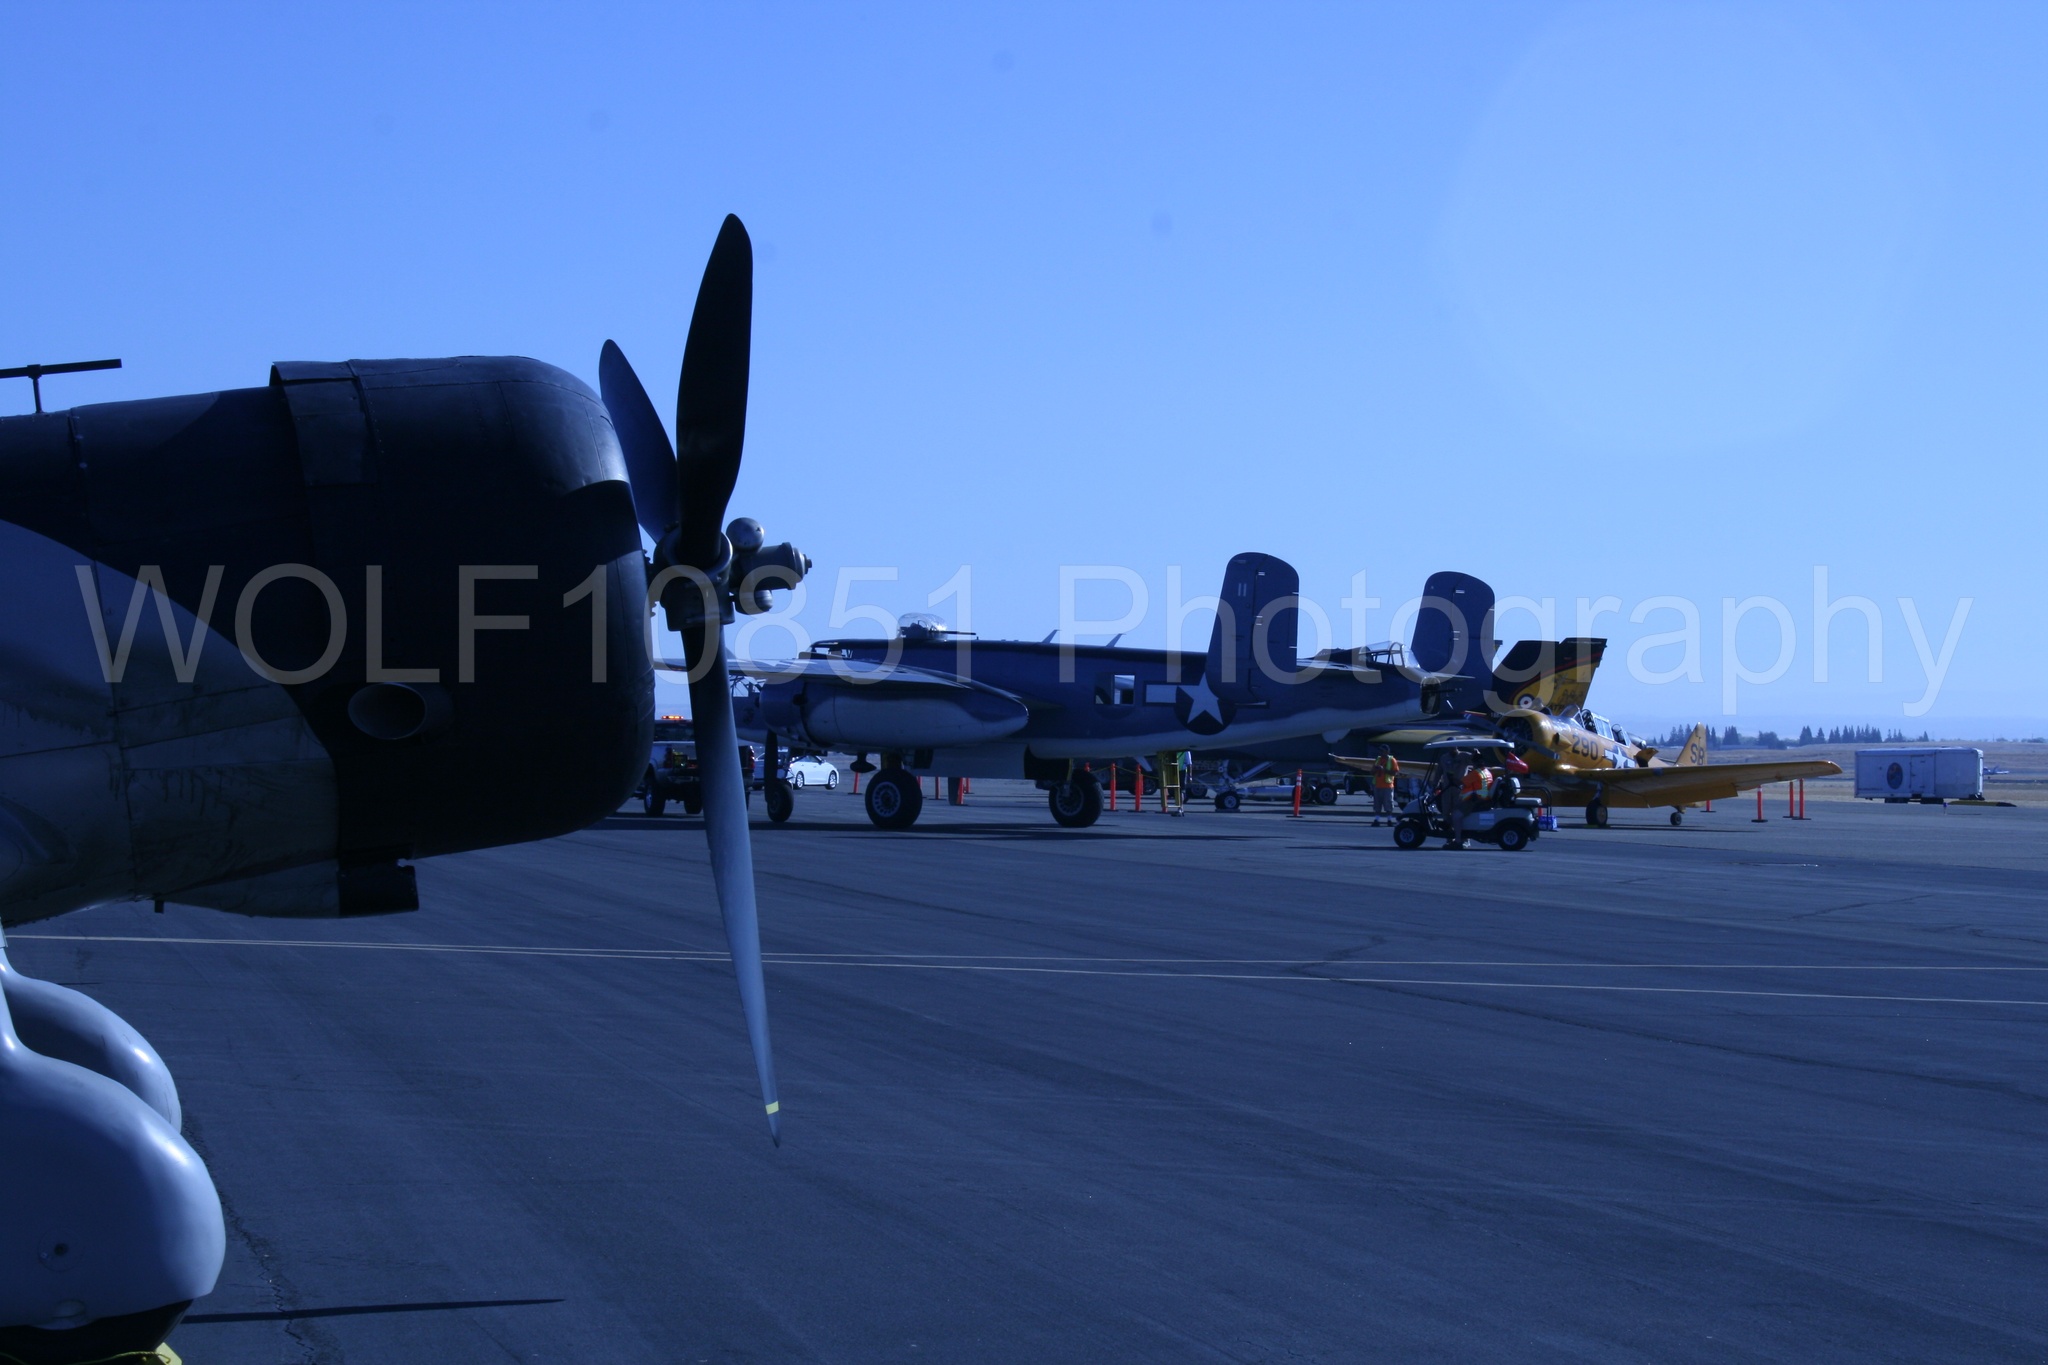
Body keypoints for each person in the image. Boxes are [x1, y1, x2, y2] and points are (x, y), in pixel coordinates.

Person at [1369, 744, 1400, 826]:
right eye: (1380, 750)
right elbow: (1371, 772)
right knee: (1377, 804)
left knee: (1388, 803)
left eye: (1382, 751)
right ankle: (1377, 820)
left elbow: (1395, 773)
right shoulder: (1378, 759)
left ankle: (1389, 820)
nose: (1380, 752)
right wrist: (1375, 769)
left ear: (1387, 752)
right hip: (1377, 785)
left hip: (1387, 786)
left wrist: (1384, 770)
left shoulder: (1392, 760)